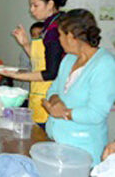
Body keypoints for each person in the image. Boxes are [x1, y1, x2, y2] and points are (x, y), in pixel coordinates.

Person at [42, 9, 115, 166]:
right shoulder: (69, 59)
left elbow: (96, 113)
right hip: (57, 143)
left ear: (71, 37)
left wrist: (64, 113)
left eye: (60, 35)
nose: (59, 40)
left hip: (82, 151)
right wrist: (55, 101)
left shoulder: (105, 64)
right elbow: (53, 88)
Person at [0, 0, 67, 128]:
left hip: (55, 93)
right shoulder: (48, 26)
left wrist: (17, 75)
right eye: (30, 6)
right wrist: (25, 44)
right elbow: (41, 61)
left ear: (50, 4)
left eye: (35, 5)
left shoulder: (56, 29)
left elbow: (51, 72)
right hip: (41, 91)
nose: (31, 10)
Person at [14, 22, 44, 93]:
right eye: (34, 35)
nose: (37, 37)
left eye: (40, 34)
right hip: (28, 89)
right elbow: (22, 70)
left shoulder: (52, 50)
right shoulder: (27, 50)